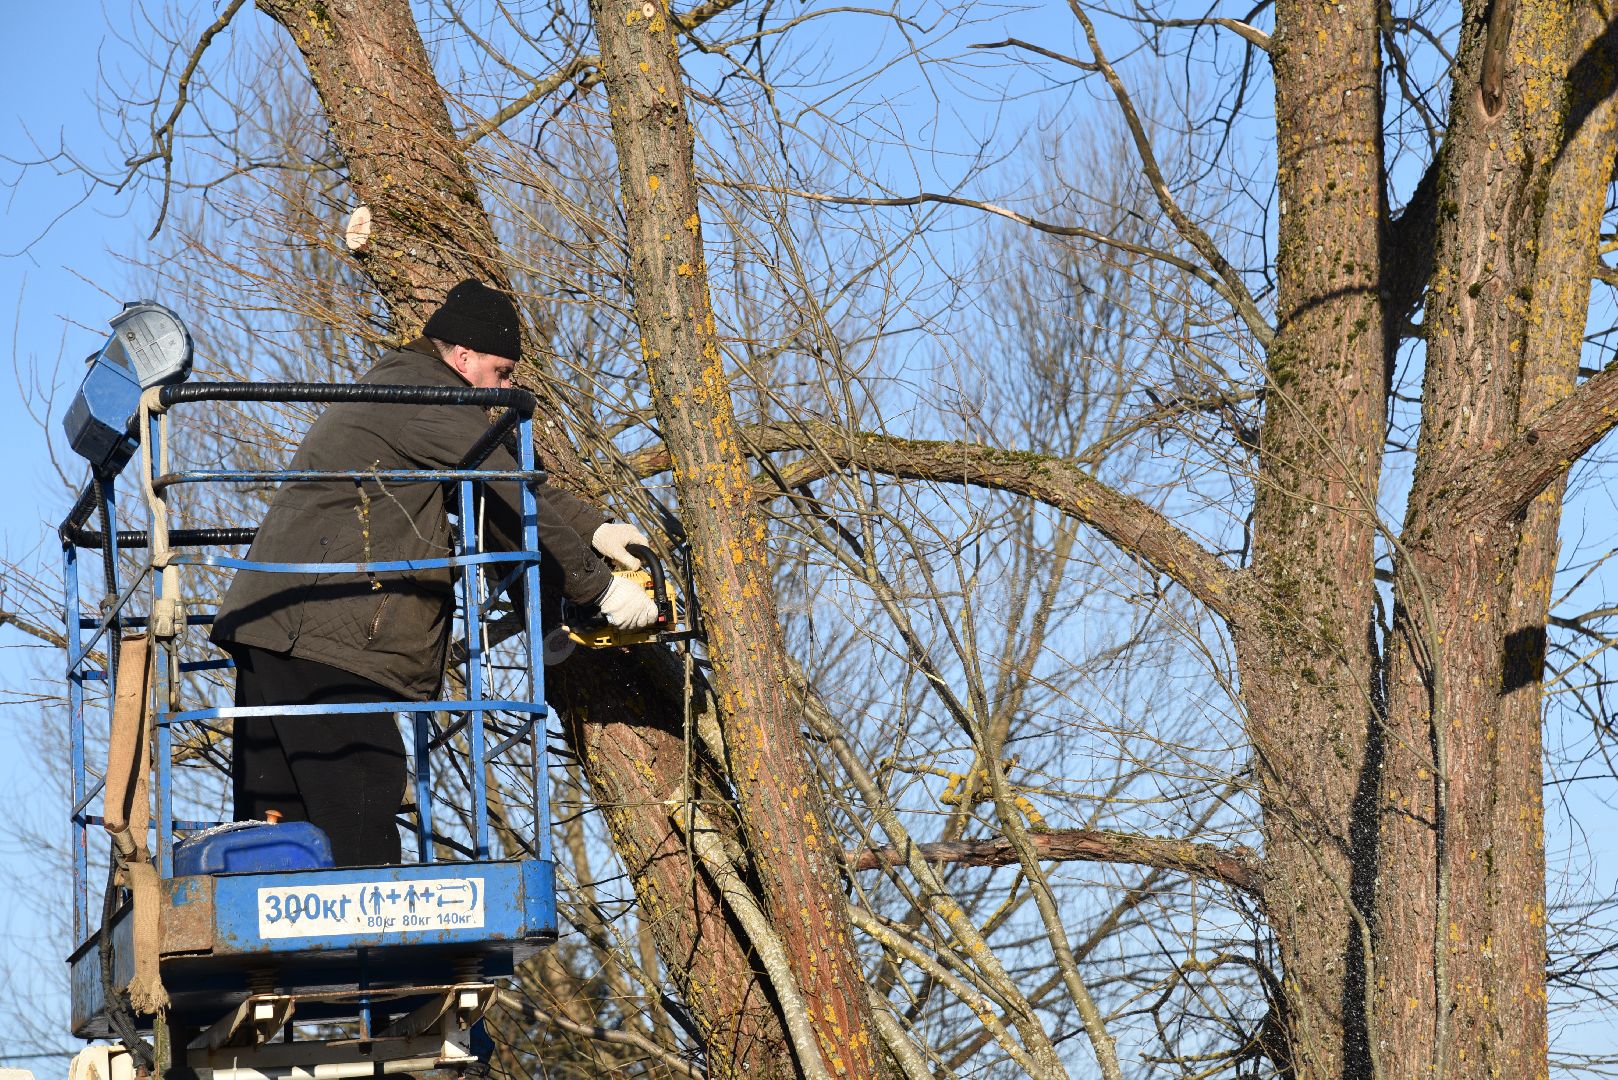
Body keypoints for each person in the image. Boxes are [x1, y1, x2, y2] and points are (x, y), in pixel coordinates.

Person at [210, 279, 657, 866]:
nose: (505, 390)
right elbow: (505, 490)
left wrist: (596, 530)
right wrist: (600, 591)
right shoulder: (429, 399)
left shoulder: (403, 387)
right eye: (501, 372)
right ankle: (369, 927)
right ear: (463, 357)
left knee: (277, 830)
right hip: (321, 638)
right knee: (360, 805)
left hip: (276, 626)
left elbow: (508, 482)